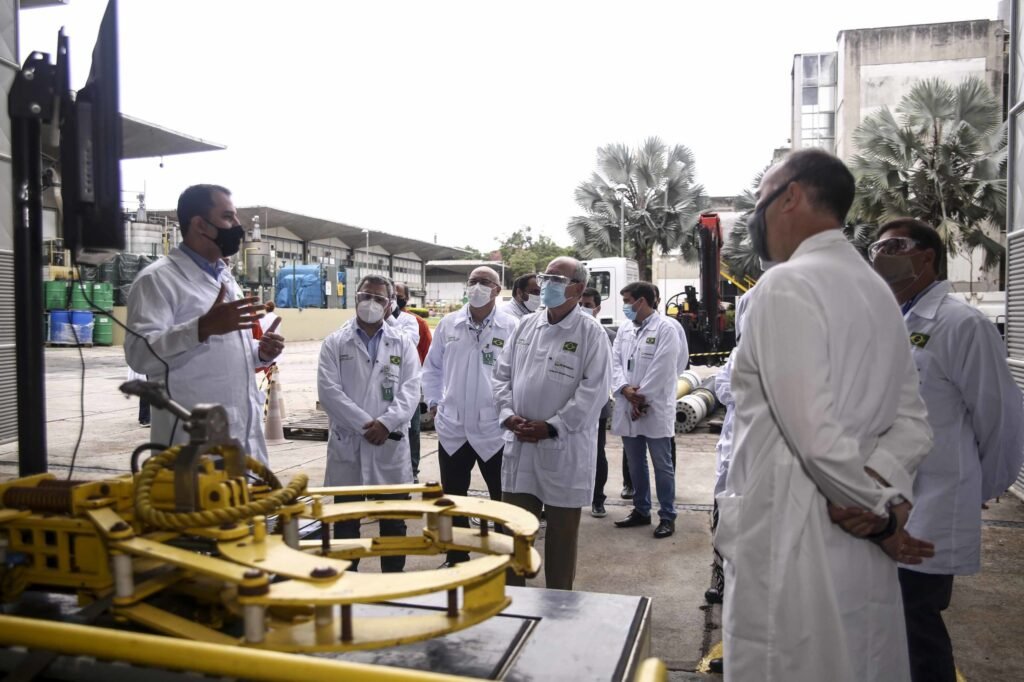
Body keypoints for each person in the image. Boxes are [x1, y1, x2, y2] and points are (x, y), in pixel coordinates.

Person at [716, 149, 935, 681]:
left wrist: (877, 515)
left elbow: (814, 437)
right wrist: (884, 490)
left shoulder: (785, 285)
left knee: (789, 663)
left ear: (790, 196)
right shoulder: (876, 290)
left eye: (760, 200)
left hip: (793, 533)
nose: (755, 217)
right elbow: (913, 421)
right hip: (854, 531)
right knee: (859, 660)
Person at [867, 218, 1024, 682]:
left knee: (915, 619)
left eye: (894, 246)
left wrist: (979, 487)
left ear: (926, 257)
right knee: (888, 617)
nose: (881, 256)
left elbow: (999, 417)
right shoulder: (889, 320)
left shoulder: (962, 324)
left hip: (935, 501)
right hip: (886, 498)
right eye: (877, 248)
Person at [125, 184, 284, 464]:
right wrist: (202, 328)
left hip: (242, 438)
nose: (237, 226)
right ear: (200, 224)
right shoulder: (158, 280)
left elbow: (223, 351)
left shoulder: (225, 278)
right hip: (190, 445)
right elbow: (139, 355)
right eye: (228, 217)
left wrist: (259, 352)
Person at [494, 257, 611, 590]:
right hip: (520, 443)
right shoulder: (526, 325)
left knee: (561, 535)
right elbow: (501, 376)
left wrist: (553, 426)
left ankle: (559, 605)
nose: (546, 284)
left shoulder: (590, 332)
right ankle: (513, 601)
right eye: (545, 277)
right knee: (514, 531)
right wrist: (508, 415)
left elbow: (594, 391)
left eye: (557, 279)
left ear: (578, 288)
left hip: (563, 447)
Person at [317, 275, 421, 573]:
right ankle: (347, 583)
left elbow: (412, 389)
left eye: (378, 299)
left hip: (389, 443)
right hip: (349, 442)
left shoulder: (402, 342)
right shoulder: (335, 342)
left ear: (390, 305)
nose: (371, 303)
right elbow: (329, 393)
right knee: (346, 522)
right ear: (356, 298)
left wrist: (386, 424)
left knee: (393, 523)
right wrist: (367, 425)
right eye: (366, 296)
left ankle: (393, 583)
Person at [422, 266, 517, 566]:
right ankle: (456, 556)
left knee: (502, 497)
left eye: (484, 282)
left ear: (497, 289)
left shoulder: (512, 326)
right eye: (473, 281)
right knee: (453, 497)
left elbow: (519, 374)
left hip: (494, 427)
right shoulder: (449, 324)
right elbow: (432, 367)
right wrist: (434, 402)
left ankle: (504, 557)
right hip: (453, 426)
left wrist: (510, 411)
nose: (477, 286)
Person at [611, 281, 682, 539]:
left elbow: (664, 368)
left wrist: (640, 399)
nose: (625, 306)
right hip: (629, 404)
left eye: (628, 301)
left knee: (662, 464)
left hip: (653, 407)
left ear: (641, 301)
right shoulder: (625, 329)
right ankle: (641, 510)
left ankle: (667, 516)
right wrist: (625, 390)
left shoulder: (666, 329)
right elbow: (615, 362)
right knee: (635, 463)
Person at [579, 287, 616, 518]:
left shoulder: (607, 335)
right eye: (579, 304)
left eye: (588, 305)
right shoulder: (566, 331)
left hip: (597, 405)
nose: (583, 309)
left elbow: (609, 373)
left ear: (597, 308)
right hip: (565, 404)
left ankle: (598, 498)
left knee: (596, 452)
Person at [392, 282, 426, 480]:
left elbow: (426, 352)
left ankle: (412, 471)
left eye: (398, 295)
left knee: (412, 430)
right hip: (385, 387)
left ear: (406, 298)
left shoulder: (415, 322)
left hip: (409, 383)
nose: (395, 298)